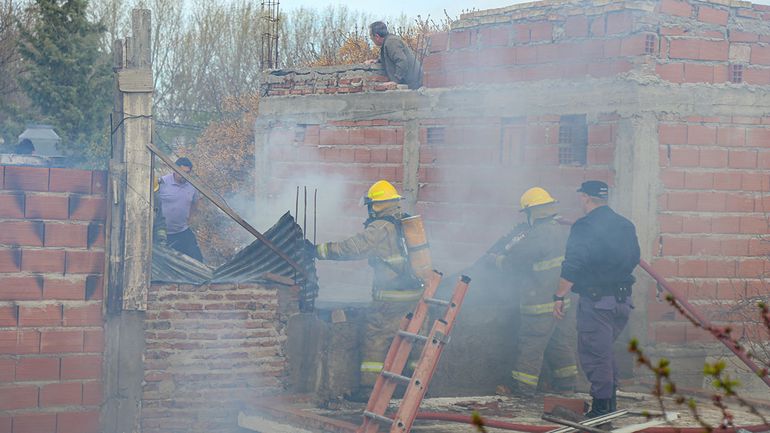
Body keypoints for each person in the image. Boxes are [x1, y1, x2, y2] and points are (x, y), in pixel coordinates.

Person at [313, 180, 424, 401]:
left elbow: (353, 248)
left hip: (390, 298)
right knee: (410, 339)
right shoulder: (405, 221)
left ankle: (369, 390)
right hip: (414, 295)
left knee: (376, 337)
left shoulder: (380, 227)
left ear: (375, 205)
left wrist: (319, 251)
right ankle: (412, 385)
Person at [552, 180, 640, 418]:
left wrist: (558, 296)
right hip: (622, 303)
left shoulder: (584, 226)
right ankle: (608, 406)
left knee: (594, 355)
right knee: (605, 353)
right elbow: (634, 258)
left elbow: (572, 265)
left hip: (597, 303)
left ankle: (601, 410)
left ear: (585, 198)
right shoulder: (625, 225)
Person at [487, 187, 577, 395]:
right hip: (561, 302)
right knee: (559, 343)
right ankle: (567, 385)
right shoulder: (561, 230)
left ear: (532, 212)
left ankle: (523, 389)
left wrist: (496, 260)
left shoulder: (538, 235)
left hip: (539, 303)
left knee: (530, 346)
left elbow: (515, 263)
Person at [157, 157, 203, 262]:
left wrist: (190, 218)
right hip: (162, 232)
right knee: (163, 261)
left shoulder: (192, 186)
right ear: (174, 169)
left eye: (187, 173)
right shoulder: (163, 182)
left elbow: (196, 202)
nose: (184, 176)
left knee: (197, 260)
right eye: (181, 172)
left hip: (182, 230)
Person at [365, 21, 423, 89]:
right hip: (411, 82)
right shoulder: (388, 41)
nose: (372, 40)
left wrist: (395, 80)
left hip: (415, 83)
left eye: (371, 37)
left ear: (377, 36)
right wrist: (377, 61)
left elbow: (402, 61)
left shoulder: (391, 42)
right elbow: (390, 57)